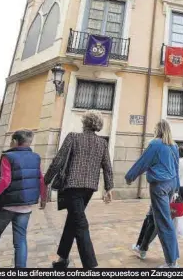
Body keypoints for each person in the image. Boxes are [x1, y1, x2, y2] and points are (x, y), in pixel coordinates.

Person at [44, 111, 114, 269]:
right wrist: (108, 188)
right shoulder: (102, 143)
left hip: (72, 187)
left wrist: (46, 180)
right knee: (73, 221)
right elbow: (107, 167)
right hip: (89, 189)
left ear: (84, 123)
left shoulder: (73, 137)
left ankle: (90, 266)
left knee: (80, 224)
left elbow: (58, 161)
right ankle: (62, 259)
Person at [0, 130, 46, 268]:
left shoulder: (8, 156)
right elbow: (41, 180)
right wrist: (43, 198)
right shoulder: (36, 157)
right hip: (25, 207)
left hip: (6, 206)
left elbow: (4, 181)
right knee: (20, 242)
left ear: (14, 141)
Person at [125, 119, 180, 268]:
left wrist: (129, 177)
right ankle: (142, 247)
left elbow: (142, 162)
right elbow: (176, 169)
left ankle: (172, 262)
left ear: (158, 130)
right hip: (171, 185)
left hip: (159, 187)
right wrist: (177, 189)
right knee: (152, 217)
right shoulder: (174, 146)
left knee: (163, 222)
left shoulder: (155, 144)